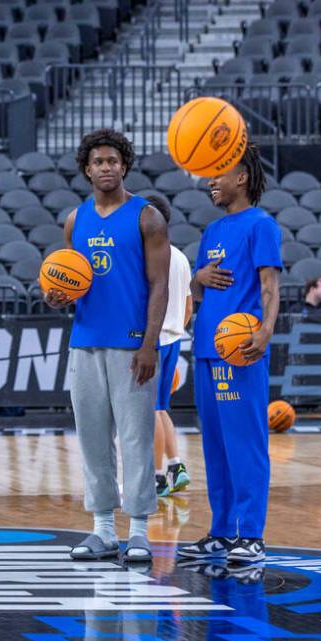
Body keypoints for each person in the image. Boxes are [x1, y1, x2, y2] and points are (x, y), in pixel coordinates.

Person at [45, 129, 169, 563]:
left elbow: (159, 286)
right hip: (85, 341)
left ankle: (138, 531)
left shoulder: (147, 217)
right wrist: (56, 295)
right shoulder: (75, 220)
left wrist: (150, 343)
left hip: (131, 344)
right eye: (98, 162)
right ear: (86, 168)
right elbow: (69, 279)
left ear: (125, 165)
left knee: (135, 439)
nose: (106, 168)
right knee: (93, 440)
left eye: (113, 161)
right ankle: (101, 529)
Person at [179, 143, 280, 566]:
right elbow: (198, 288)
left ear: (242, 176)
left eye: (218, 175)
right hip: (206, 346)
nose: (210, 183)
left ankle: (251, 535)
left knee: (246, 442)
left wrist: (266, 330)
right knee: (216, 444)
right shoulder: (212, 231)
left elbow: (270, 285)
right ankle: (221, 532)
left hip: (241, 350)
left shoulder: (262, 224)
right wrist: (197, 276)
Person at [145, 195, 191, 498]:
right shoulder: (180, 255)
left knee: (152, 410)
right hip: (174, 337)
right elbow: (189, 306)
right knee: (160, 408)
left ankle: (158, 476)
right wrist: (176, 329)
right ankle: (175, 466)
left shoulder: (149, 256)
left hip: (155, 340)